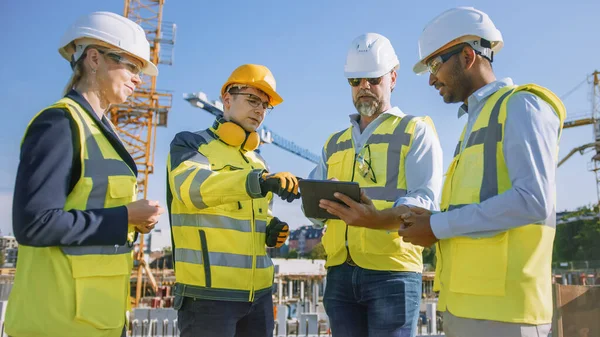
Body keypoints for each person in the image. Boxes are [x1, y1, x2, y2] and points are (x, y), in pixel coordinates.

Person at [399, 7, 566, 337]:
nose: (431, 79)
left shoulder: (521, 105)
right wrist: (429, 218)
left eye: (434, 65)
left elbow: (533, 200)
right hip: (466, 308)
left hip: (508, 314)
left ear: (466, 56)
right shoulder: (476, 120)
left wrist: (436, 224)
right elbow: (478, 206)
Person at [5, 11, 164, 337]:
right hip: (58, 322)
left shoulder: (101, 132)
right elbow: (35, 224)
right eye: (131, 66)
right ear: (94, 59)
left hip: (98, 318)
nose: (138, 78)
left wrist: (133, 220)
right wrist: (125, 216)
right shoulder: (60, 124)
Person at [311, 33, 443, 337]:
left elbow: (425, 201)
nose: (364, 88)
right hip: (340, 273)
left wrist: (375, 219)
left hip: (392, 271)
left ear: (393, 77)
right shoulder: (334, 143)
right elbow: (315, 216)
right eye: (355, 81)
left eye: (373, 79)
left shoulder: (415, 131)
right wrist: (318, 202)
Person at [167, 64, 300, 337]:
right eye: (252, 100)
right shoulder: (191, 144)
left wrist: (270, 228)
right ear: (227, 99)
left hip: (258, 296)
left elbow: (254, 217)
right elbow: (193, 189)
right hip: (208, 298)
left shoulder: (257, 159)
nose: (260, 110)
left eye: (265, 105)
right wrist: (258, 182)